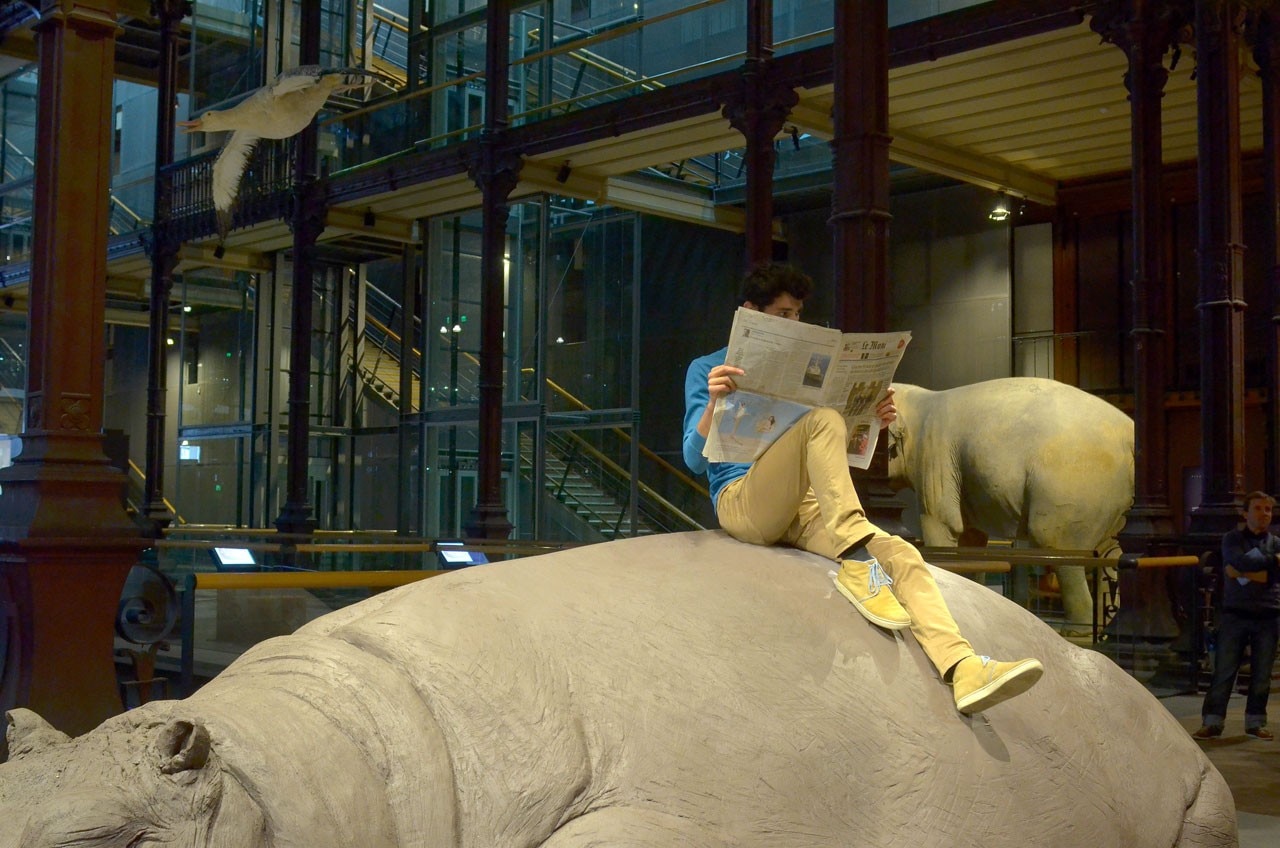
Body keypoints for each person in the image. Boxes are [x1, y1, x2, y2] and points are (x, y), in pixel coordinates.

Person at [682, 263, 1043, 715]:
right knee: (822, 421)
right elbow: (694, 459)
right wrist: (715, 401)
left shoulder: (806, 368)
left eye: (798, 315)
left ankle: (963, 667)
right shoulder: (707, 368)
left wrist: (872, 417)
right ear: (750, 314)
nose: (794, 323)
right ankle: (856, 559)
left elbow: (840, 452)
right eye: (783, 314)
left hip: (805, 505)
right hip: (741, 499)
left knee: (903, 555)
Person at [1193, 491, 1280, 741]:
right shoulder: (1232, 539)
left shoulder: (1276, 542)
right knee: (1224, 671)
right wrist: (1269, 564)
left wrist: (1254, 569)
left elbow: (1263, 574)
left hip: (1268, 614)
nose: (1264, 514)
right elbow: (1235, 562)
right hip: (1235, 613)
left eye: (1268, 510)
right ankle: (1212, 722)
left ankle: (1255, 722)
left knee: (1262, 674)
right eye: (1258, 508)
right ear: (1245, 512)